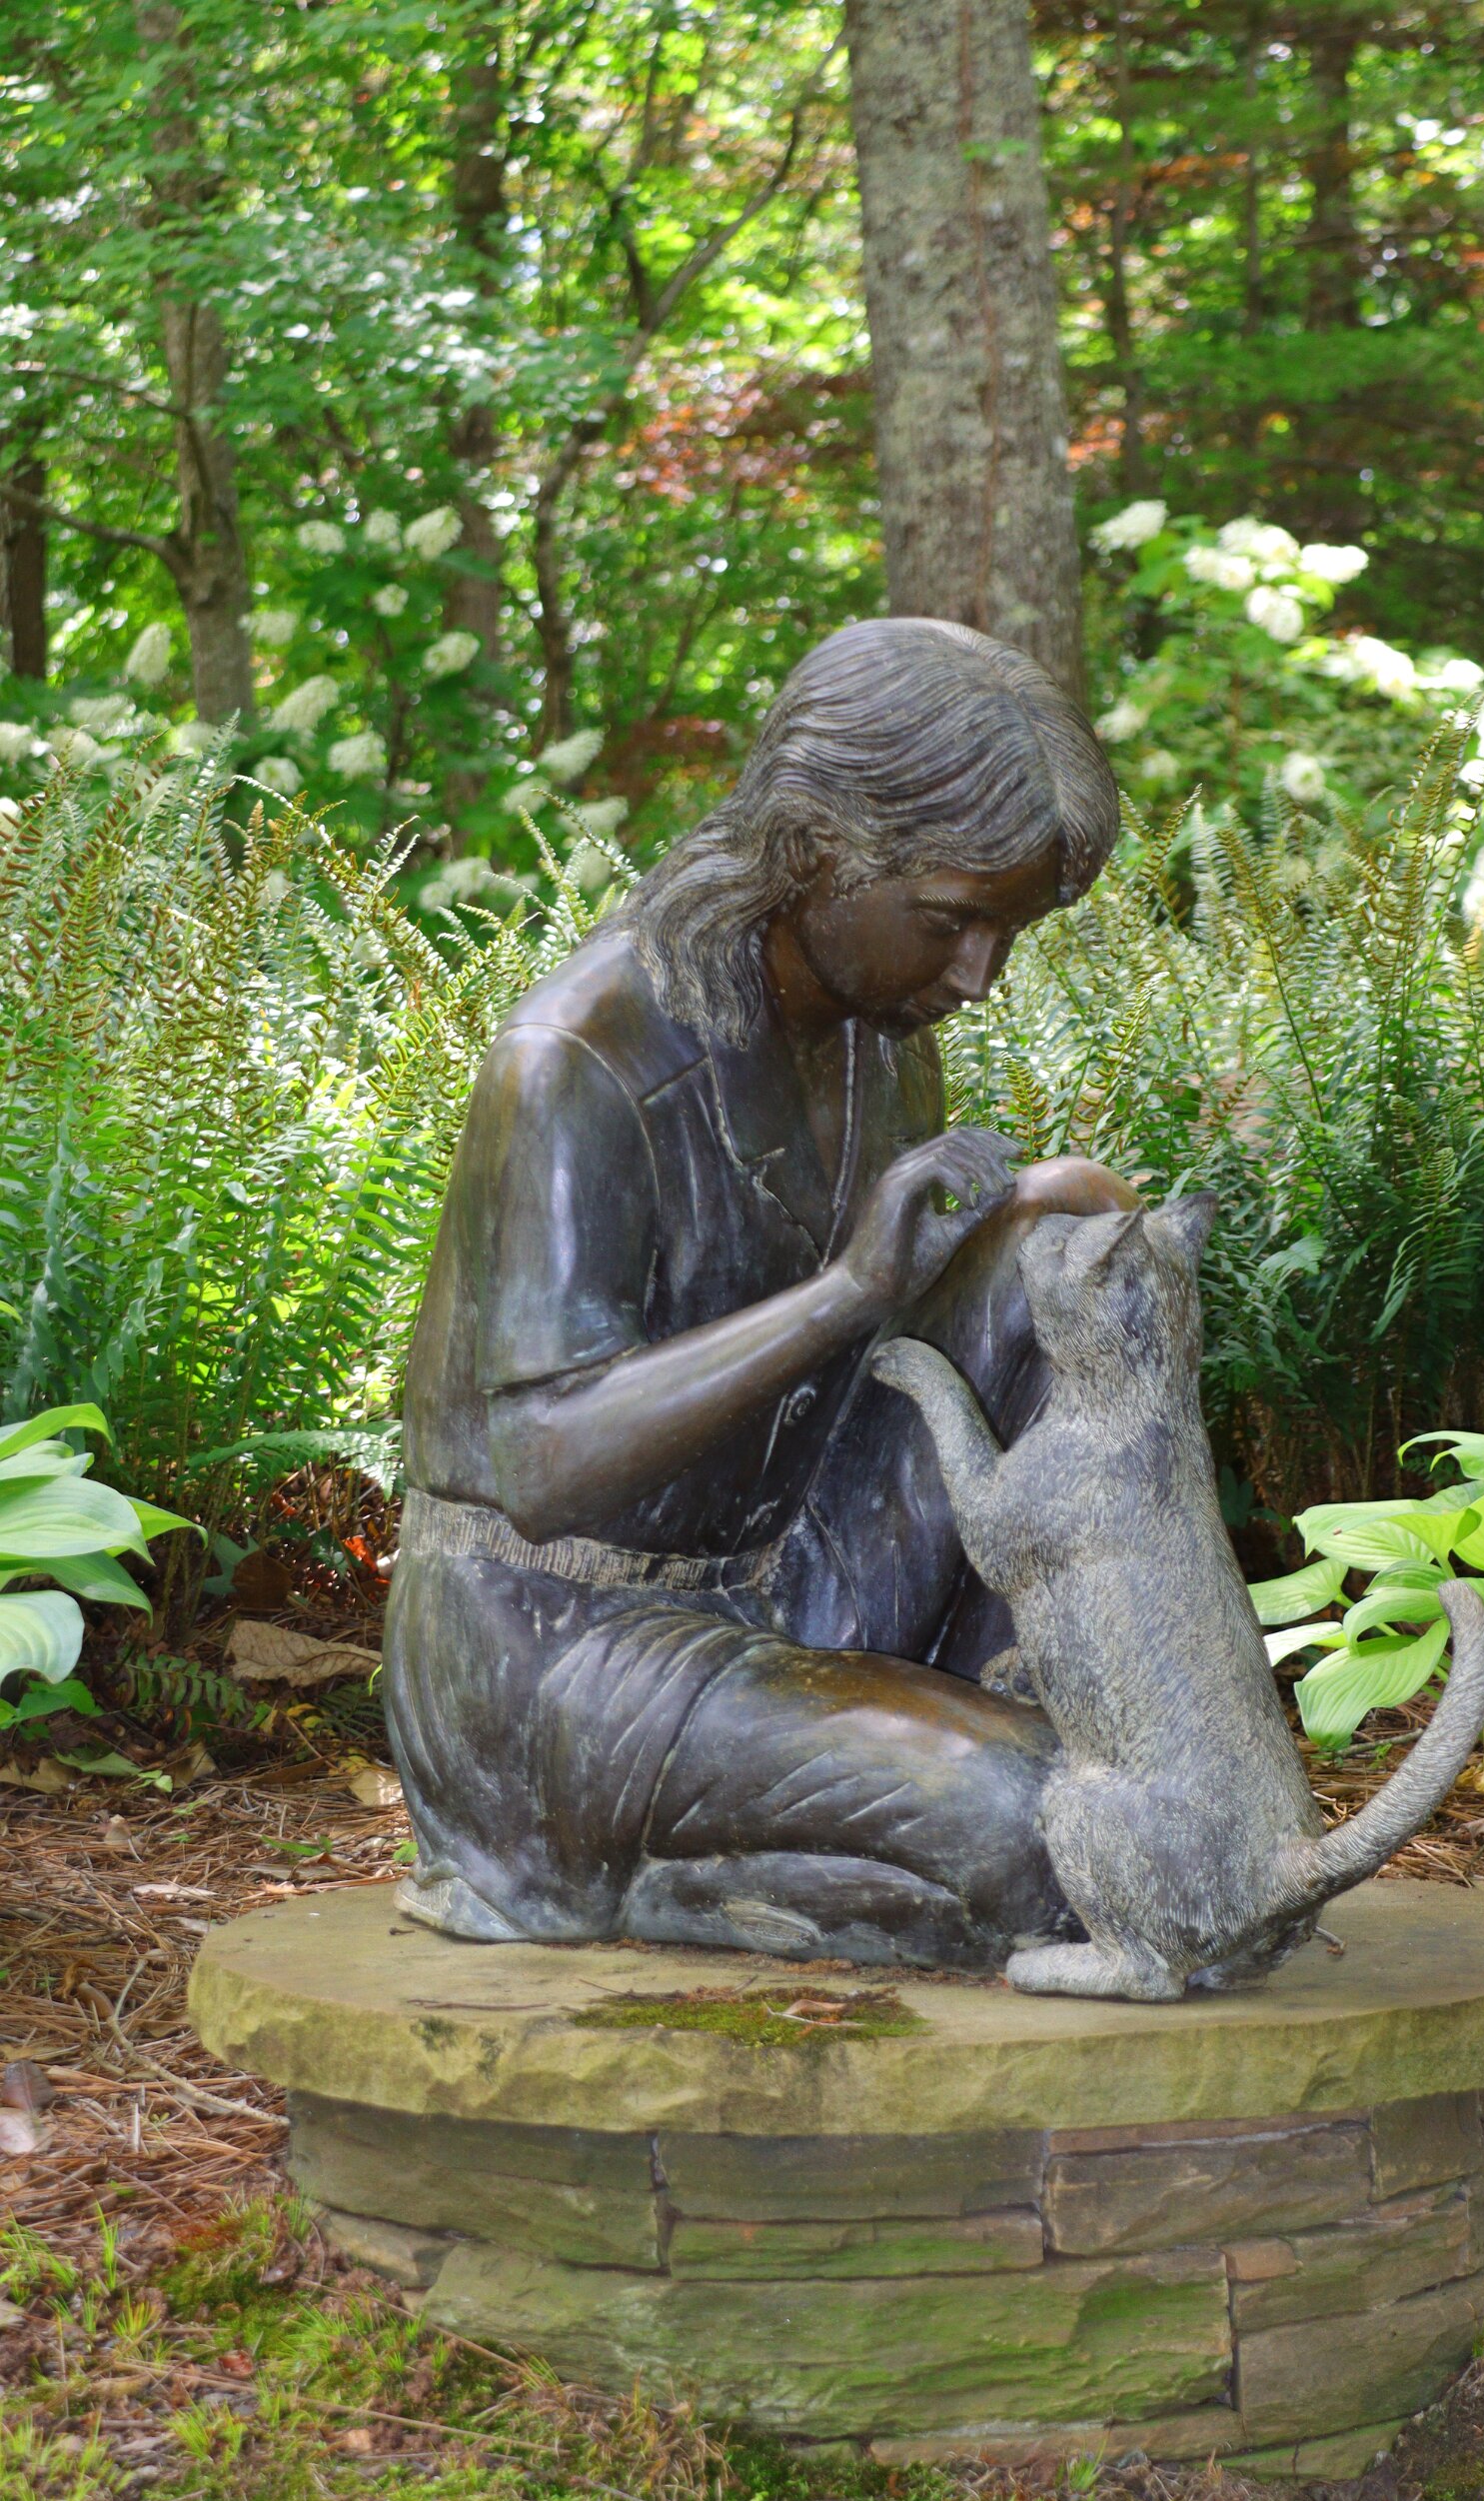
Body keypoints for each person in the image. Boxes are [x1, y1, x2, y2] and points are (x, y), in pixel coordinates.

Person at [385, 616, 1139, 1966]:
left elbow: (882, 1371)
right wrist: (848, 1292)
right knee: (1057, 1833)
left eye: (1008, 932)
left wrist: (1005, 1257)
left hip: (786, 1577)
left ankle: (1030, 1717)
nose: (979, 979)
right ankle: (640, 1880)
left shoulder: (877, 1030)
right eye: (953, 921)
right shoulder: (576, 1060)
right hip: (562, 1648)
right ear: (813, 850)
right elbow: (530, 1462)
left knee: (1068, 1234)